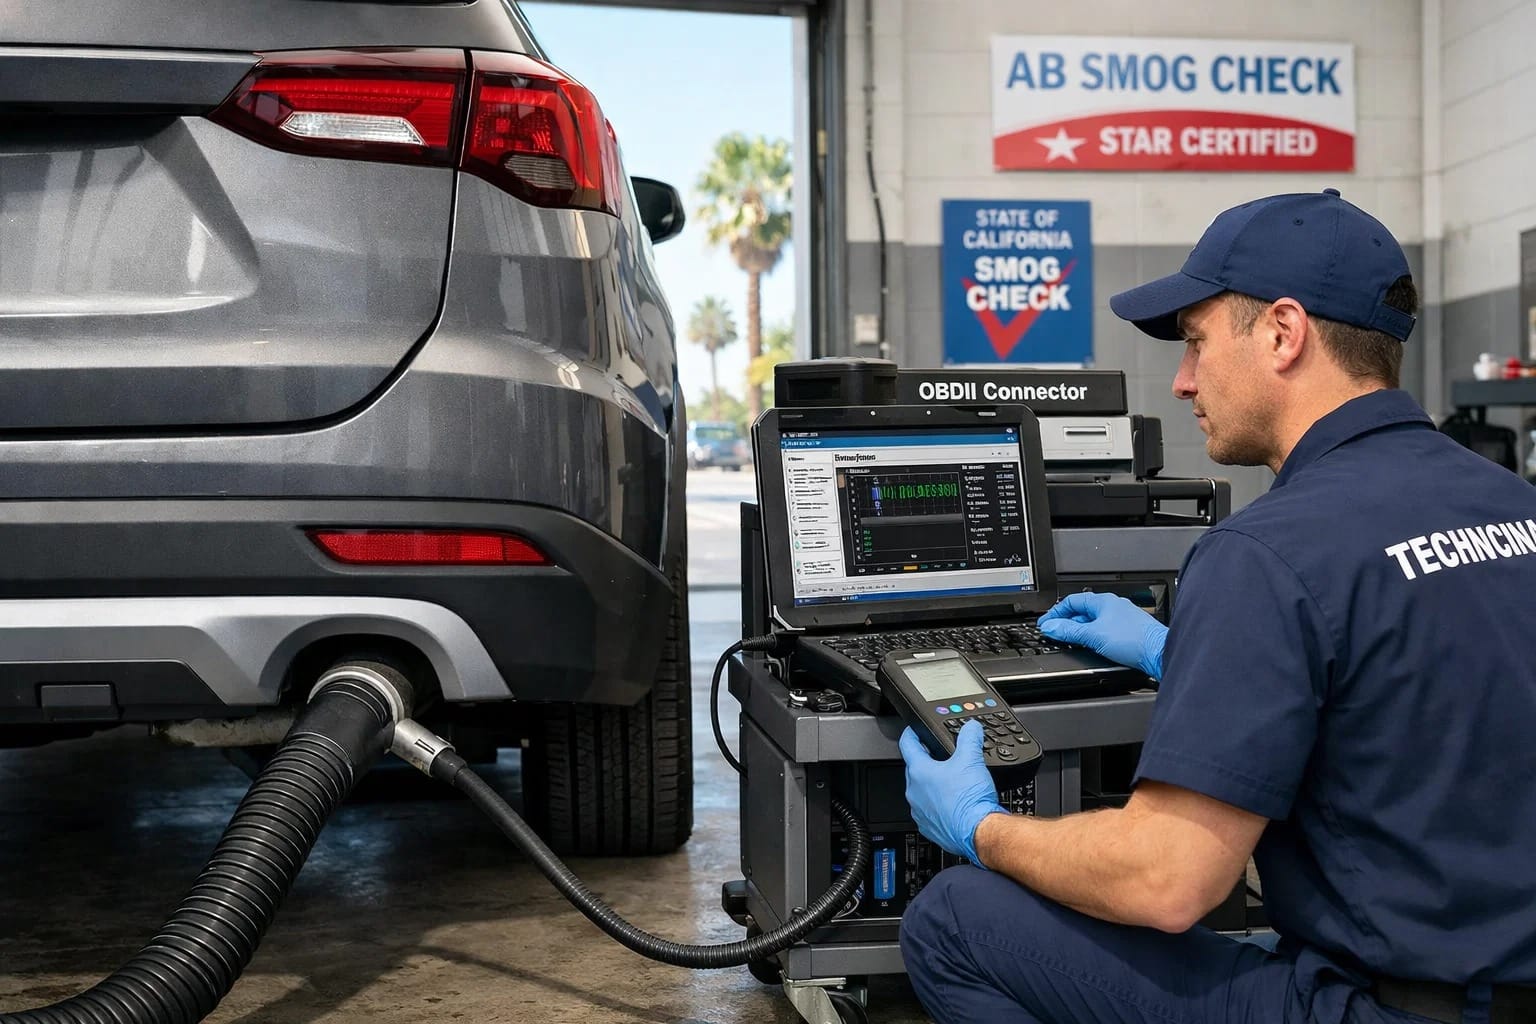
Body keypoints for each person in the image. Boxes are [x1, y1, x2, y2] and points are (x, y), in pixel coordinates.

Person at [897, 189, 1536, 1024]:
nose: (1184, 379)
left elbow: (1168, 882)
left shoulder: (1266, 552)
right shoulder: (1512, 503)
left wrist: (981, 828)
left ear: (1282, 331)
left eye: (1197, 341)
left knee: (952, 922)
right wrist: (1186, 654)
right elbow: (1437, 688)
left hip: (1391, 1010)